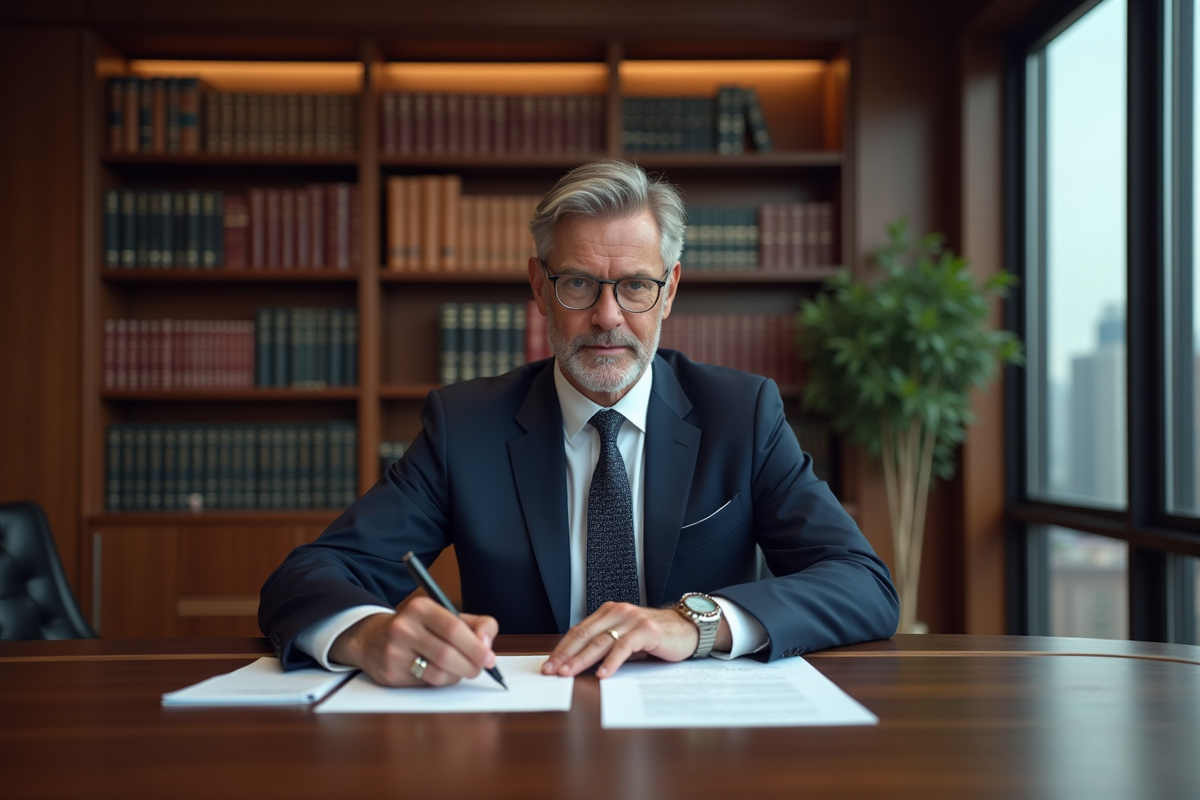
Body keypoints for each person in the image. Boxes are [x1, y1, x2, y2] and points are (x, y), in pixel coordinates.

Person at [259, 159, 898, 687]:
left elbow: (861, 584)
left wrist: (694, 623)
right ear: (539, 287)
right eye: (579, 285)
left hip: (702, 741)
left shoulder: (743, 414)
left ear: (670, 290)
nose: (607, 317)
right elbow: (306, 577)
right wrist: (369, 636)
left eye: (636, 287)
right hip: (523, 729)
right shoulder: (466, 427)